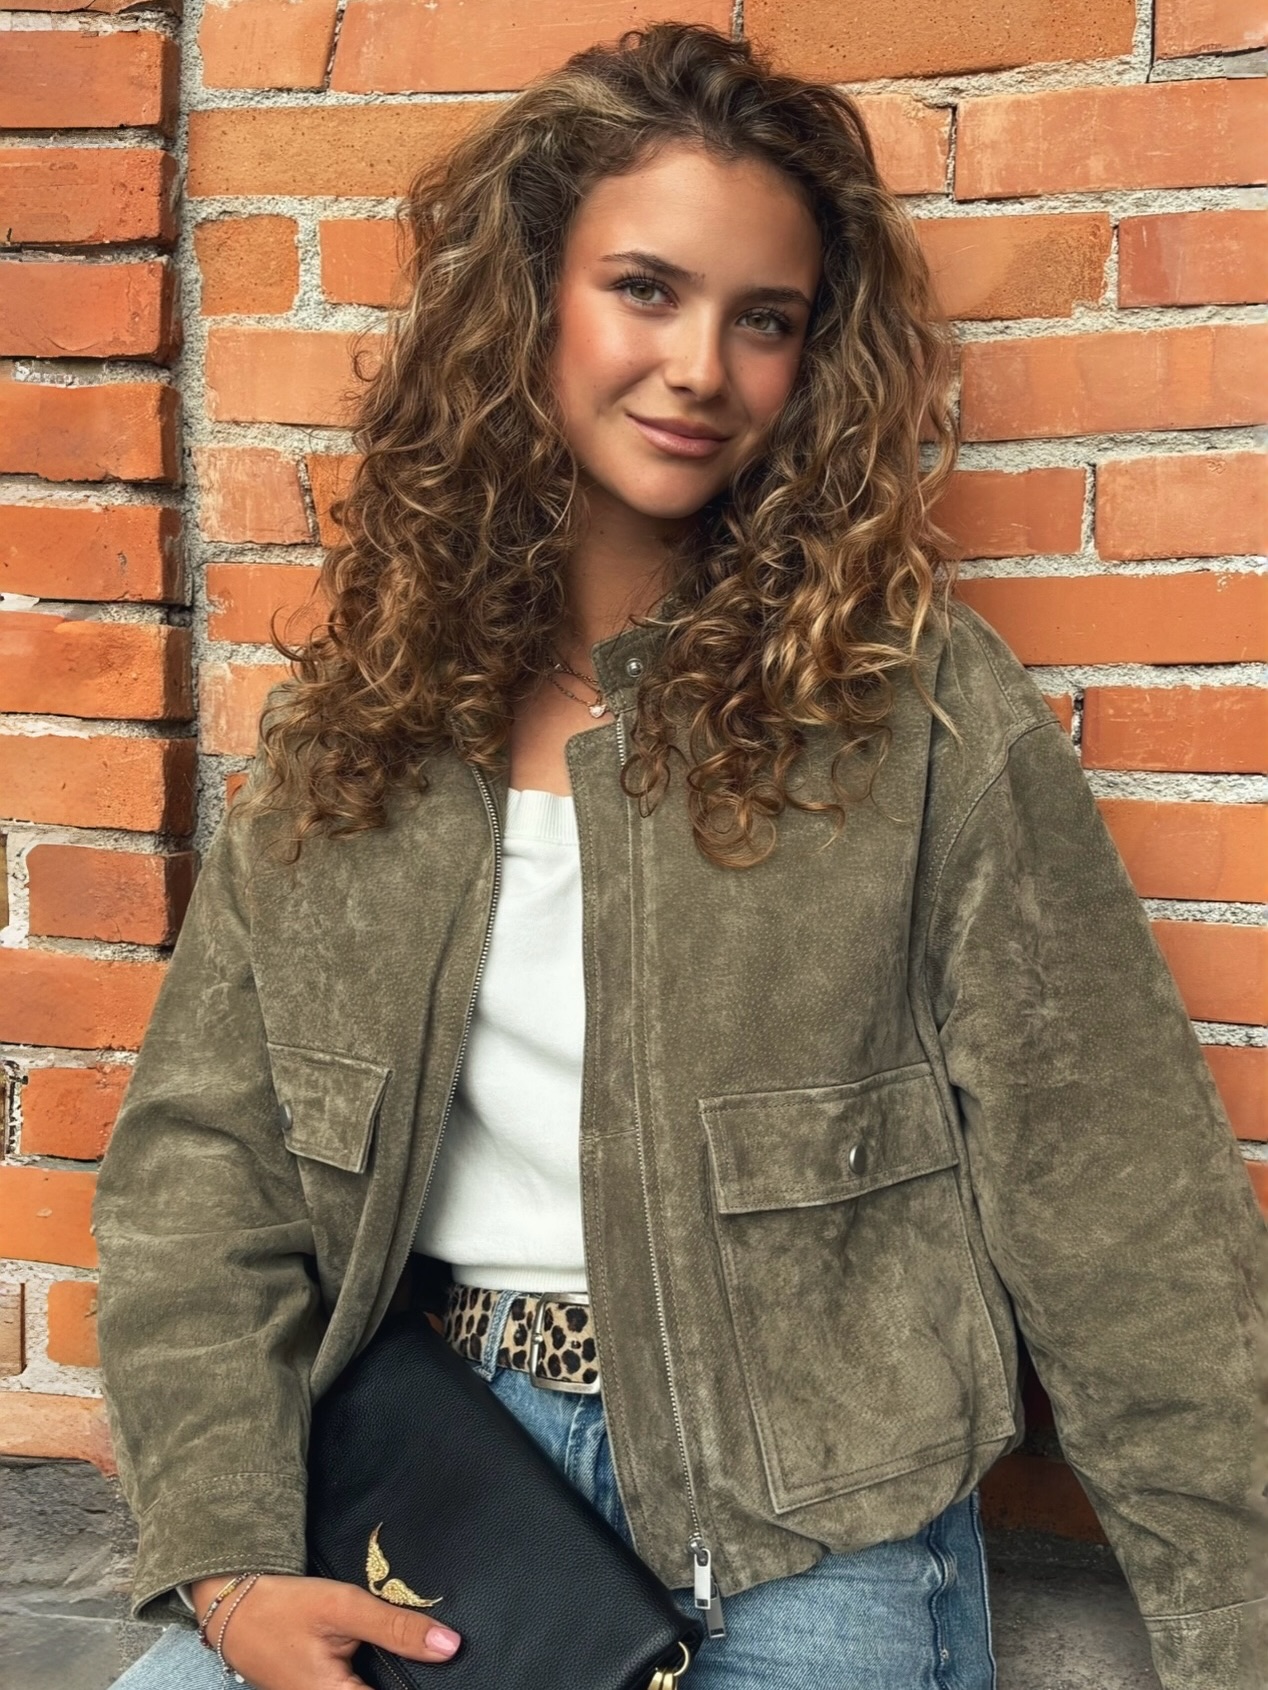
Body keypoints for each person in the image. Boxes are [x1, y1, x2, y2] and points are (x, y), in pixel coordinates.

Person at [95, 23, 1263, 1690]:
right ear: (529, 302)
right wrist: (227, 1571)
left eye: (764, 318)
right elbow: (201, 1171)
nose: (702, 365)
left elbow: (1124, 1208)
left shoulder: (915, 710)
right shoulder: (364, 724)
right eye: (645, 289)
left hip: (808, 1524)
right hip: (440, 1476)